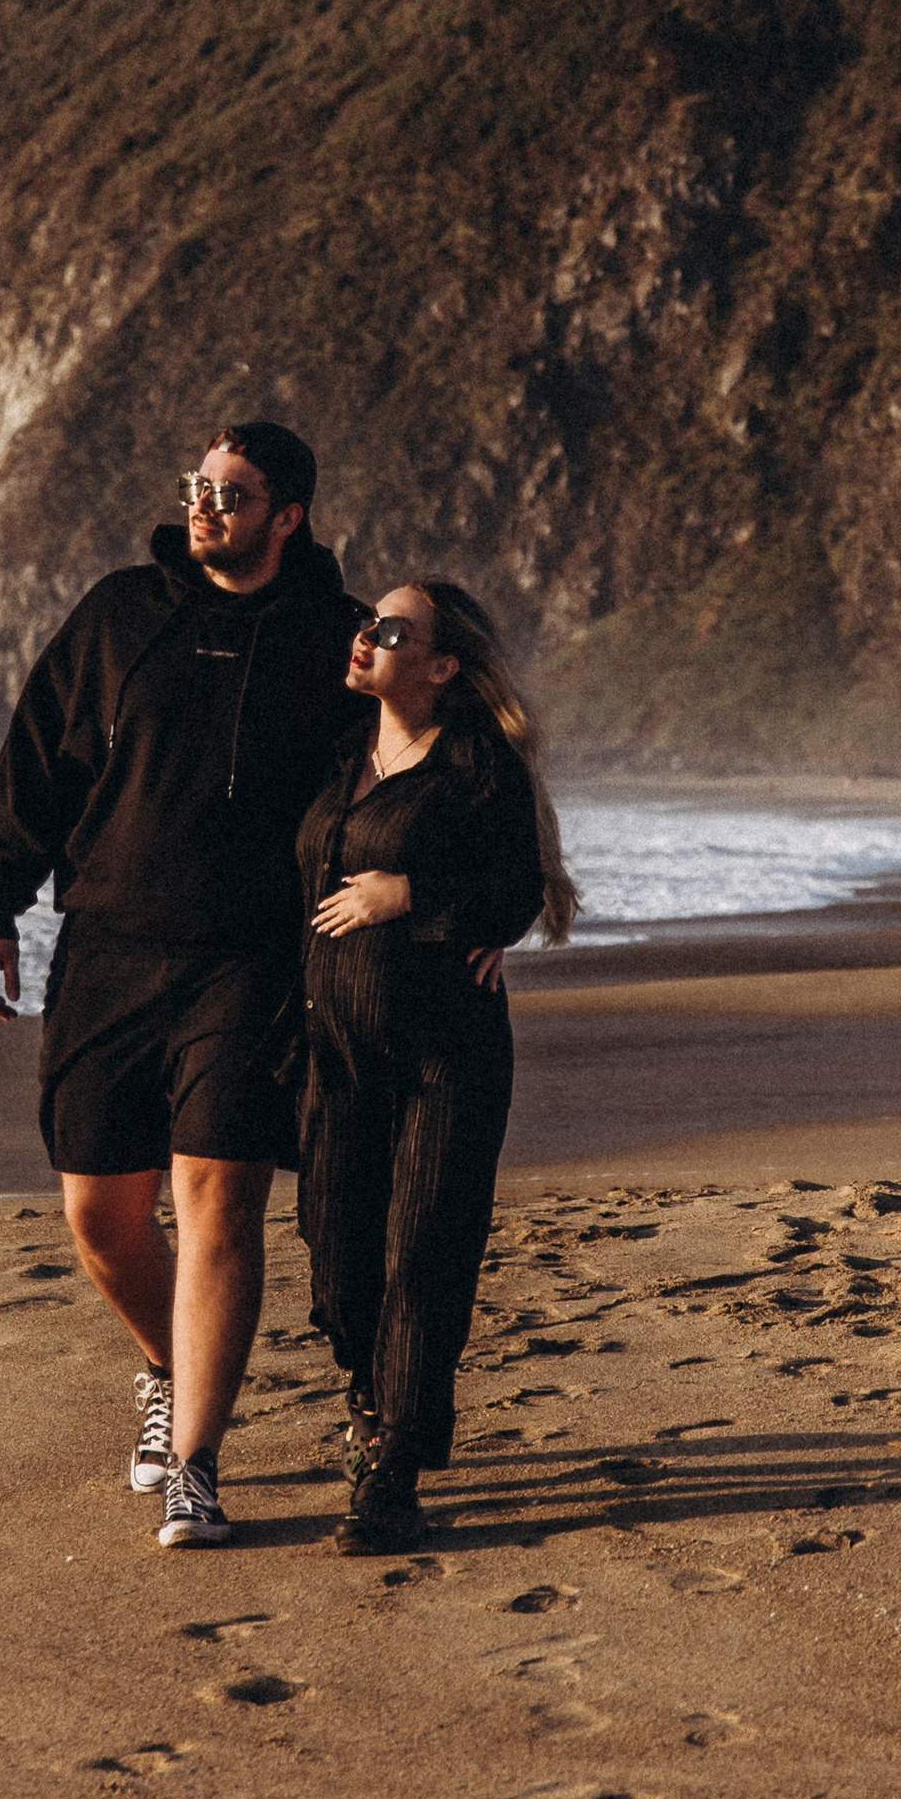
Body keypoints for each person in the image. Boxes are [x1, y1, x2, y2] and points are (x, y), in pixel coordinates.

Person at [0, 422, 358, 1547]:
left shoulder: (331, 638)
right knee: (100, 1214)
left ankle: (194, 1457)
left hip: (252, 962)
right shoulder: (118, 618)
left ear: (287, 515)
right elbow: (35, 757)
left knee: (220, 1197)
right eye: (197, 487)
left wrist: (429, 904)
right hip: (109, 953)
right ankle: (160, 1363)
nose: (204, 507)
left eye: (231, 493)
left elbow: (406, 763)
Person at [296, 580, 579, 1554]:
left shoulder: (474, 764)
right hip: (332, 1051)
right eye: (367, 624)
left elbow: (515, 888)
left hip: (444, 1055)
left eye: (390, 631)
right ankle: (370, 1400)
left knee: (421, 1254)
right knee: (336, 1261)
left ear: (441, 665)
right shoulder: (338, 755)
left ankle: (393, 1471)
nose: (365, 640)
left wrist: (407, 892)